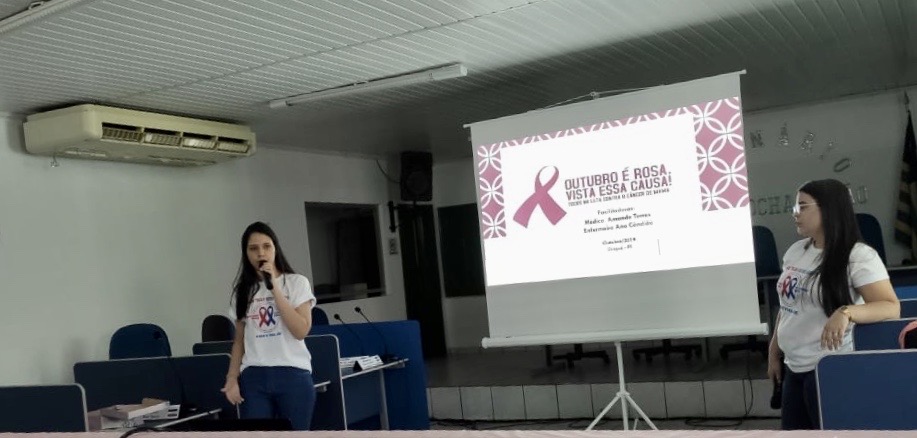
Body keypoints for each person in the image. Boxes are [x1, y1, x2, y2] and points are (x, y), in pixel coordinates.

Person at [767, 179, 900, 430]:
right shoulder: (796, 251)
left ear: (828, 208)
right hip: (792, 367)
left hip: (828, 368)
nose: (795, 213)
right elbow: (788, 306)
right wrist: (774, 349)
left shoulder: (858, 256)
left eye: (803, 206)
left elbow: (890, 306)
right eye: (795, 207)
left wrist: (846, 312)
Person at [221, 221, 316, 430]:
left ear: (275, 248)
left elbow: (300, 331)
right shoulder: (242, 291)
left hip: (293, 374)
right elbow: (239, 342)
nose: (260, 253)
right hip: (255, 376)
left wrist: (274, 287)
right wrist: (232, 378)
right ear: (246, 253)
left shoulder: (297, 283)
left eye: (266, 246)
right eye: (253, 249)